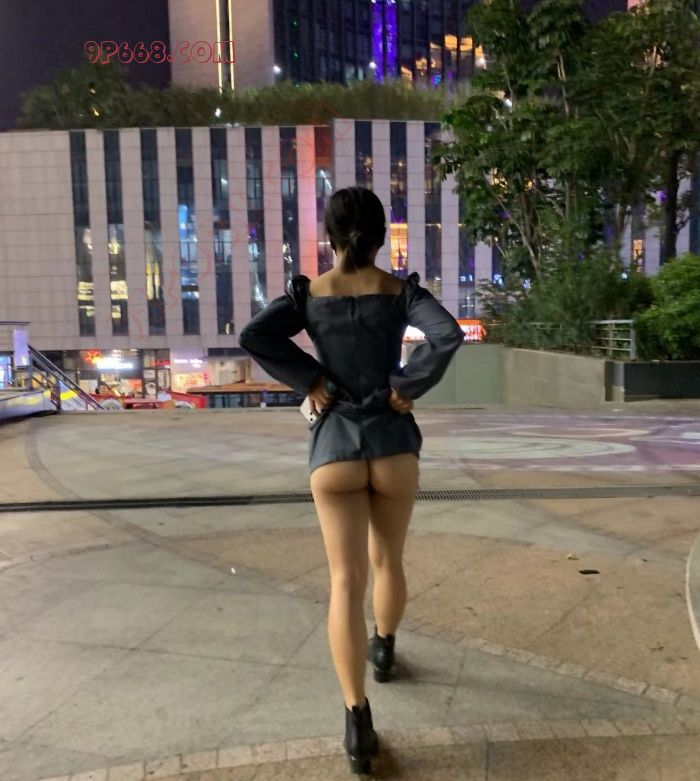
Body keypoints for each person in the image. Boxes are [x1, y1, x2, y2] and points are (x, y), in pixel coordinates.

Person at [239, 186, 464, 776]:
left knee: (345, 581)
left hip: (334, 447)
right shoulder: (400, 293)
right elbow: (447, 335)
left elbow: (254, 335)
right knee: (388, 559)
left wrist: (313, 380)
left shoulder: (309, 294)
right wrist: (406, 387)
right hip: (392, 446)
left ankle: (357, 719)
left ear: (330, 235)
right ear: (381, 235)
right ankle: (384, 650)